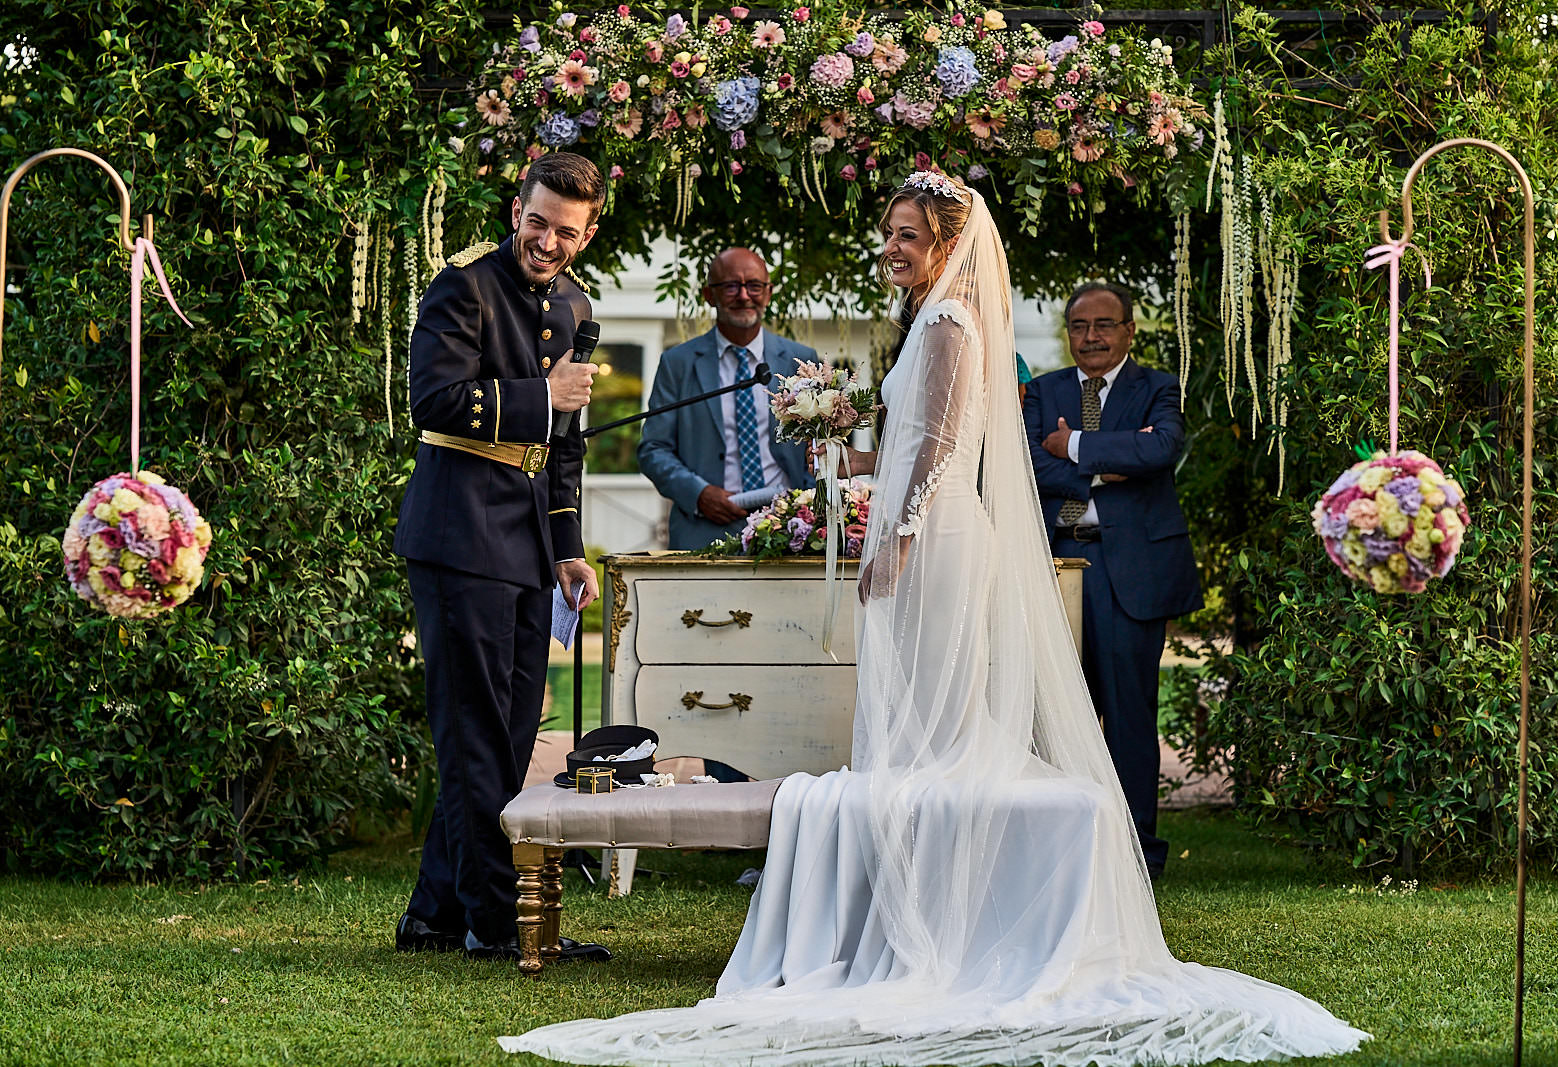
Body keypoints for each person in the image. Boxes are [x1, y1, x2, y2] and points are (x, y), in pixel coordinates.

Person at [501, 173, 1366, 1063]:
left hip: (940, 538)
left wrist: (899, 534)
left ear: (947, 245)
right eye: (890, 231)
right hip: (924, 527)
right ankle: (917, 889)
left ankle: (942, 906)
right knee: (919, 717)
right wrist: (841, 441)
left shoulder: (950, 325)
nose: (893, 246)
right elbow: (912, 439)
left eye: (909, 234)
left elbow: (945, 448)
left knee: (944, 722)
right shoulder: (930, 322)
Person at [391, 153, 605, 962]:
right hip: (457, 534)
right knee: (475, 734)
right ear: (518, 206)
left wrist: (568, 549)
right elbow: (435, 398)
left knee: (511, 738)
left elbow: (565, 447)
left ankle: (436, 912)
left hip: (523, 545)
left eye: (566, 231)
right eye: (537, 220)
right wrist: (544, 396)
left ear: (587, 234)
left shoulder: (576, 303)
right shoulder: (463, 284)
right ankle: (495, 918)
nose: (546, 241)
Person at [1022, 281, 1203, 880]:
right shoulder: (1040, 391)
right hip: (1056, 567)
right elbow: (1025, 462)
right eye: (1079, 325)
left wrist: (1072, 443)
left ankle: (1136, 856)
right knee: (1051, 714)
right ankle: (1060, 848)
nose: (1091, 336)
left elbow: (1160, 453)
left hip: (1132, 574)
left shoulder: (1157, 387)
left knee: (1128, 717)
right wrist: (1107, 465)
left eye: (1104, 325)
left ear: (1129, 331)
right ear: (1067, 332)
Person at [637, 248, 815, 549]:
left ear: (768, 293)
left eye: (754, 286)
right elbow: (654, 449)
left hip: (792, 531)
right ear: (709, 295)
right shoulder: (678, 363)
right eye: (731, 286)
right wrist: (698, 494)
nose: (744, 296)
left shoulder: (800, 361)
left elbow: (819, 451)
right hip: (705, 531)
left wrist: (806, 508)